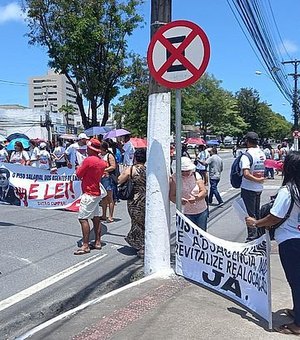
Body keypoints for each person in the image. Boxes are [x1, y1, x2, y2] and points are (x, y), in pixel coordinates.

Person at [245, 151, 300, 335]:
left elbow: (274, 217)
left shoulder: (288, 191)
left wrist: (256, 223)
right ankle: (298, 311)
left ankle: (298, 324)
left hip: (291, 242)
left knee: (296, 281)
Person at [74, 138, 106, 255]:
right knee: (95, 217)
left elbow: (78, 174)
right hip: (97, 192)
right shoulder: (102, 162)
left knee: (83, 218)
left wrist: (79, 166)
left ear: (91, 149)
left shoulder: (88, 160)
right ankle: (98, 241)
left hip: (89, 192)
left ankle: (86, 245)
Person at [118, 148, 147, 258]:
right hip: (146, 199)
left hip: (134, 200)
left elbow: (119, 180)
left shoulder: (131, 169)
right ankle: (141, 243)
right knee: (143, 221)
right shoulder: (148, 169)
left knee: (136, 221)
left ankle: (141, 245)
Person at [169, 156, 208, 231]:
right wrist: (179, 201)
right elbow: (172, 196)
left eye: (188, 170)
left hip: (201, 210)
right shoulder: (175, 178)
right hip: (186, 212)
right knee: (189, 234)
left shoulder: (196, 175)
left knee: (202, 233)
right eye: (183, 171)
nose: (186, 172)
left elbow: (204, 191)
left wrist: (196, 198)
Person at [240, 131, 266, 242]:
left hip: (248, 188)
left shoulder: (246, 155)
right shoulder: (262, 153)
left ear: (247, 141)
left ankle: (252, 238)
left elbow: (246, 174)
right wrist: (260, 180)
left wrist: (256, 179)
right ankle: (259, 235)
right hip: (259, 188)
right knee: (256, 212)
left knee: (249, 214)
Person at [99, 141, 117, 223]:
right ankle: (103, 215)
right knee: (103, 197)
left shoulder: (109, 156)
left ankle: (110, 216)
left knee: (110, 197)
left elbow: (113, 167)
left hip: (108, 178)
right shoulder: (99, 156)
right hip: (100, 178)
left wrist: (104, 170)